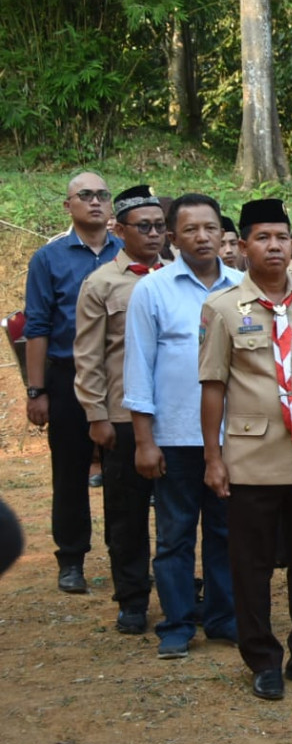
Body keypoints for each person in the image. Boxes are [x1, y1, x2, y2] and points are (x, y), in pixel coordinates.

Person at [199, 198, 292, 700]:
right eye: (262, 237)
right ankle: (262, 659)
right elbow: (213, 385)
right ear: (242, 245)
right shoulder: (223, 309)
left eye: (281, 237)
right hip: (253, 457)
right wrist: (214, 456)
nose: (273, 246)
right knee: (250, 564)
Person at [124, 193, 243, 658]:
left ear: (222, 233)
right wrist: (143, 440)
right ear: (172, 238)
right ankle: (176, 623)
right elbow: (138, 367)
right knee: (174, 535)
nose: (202, 237)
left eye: (210, 228)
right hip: (173, 437)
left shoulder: (241, 288)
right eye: (191, 229)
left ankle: (222, 616)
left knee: (225, 532)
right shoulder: (151, 291)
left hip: (231, 436)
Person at [25, 171, 122, 593]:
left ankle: (126, 555)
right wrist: (36, 390)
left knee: (123, 473)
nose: (95, 202)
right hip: (67, 379)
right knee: (69, 470)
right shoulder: (49, 258)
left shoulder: (127, 252)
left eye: (102, 195)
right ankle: (71, 559)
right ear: (69, 206)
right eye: (85, 195)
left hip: (121, 379)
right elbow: (37, 326)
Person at [73, 184, 165, 632]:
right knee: (126, 515)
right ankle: (131, 597)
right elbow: (88, 356)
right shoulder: (102, 283)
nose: (153, 234)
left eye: (159, 226)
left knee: (177, 513)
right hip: (124, 416)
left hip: (178, 416)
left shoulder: (176, 276)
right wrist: (96, 415)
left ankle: (179, 592)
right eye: (142, 226)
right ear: (119, 229)